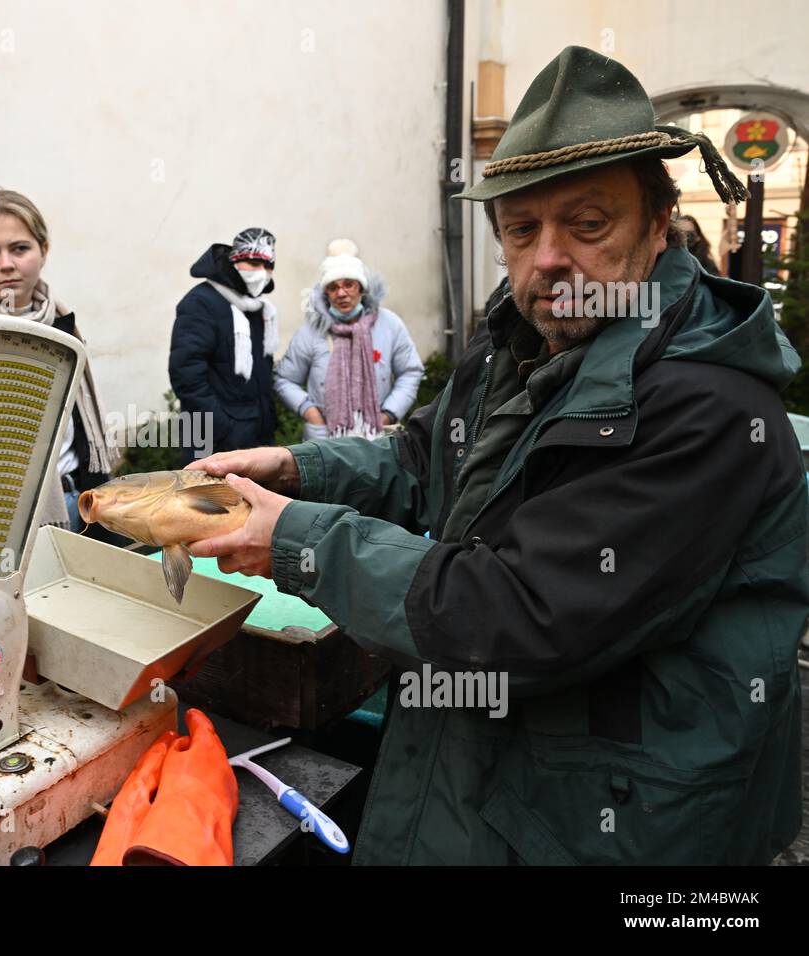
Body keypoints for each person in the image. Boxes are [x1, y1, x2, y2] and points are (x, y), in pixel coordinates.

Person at [184, 47, 807, 864]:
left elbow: (520, 616)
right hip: (477, 776)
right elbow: (422, 459)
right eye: (521, 228)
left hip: (612, 827)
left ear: (659, 224)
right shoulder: (515, 344)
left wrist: (300, 539)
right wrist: (302, 469)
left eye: (588, 224)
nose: (549, 257)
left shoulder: (707, 409)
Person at [0, 187, 120, 532]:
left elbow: (80, 427)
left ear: (44, 250)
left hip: (82, 502)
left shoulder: (62, 322)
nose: (7, 263)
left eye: (20, 248)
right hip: (3, 524)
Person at [275, 240, 424, 441]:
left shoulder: (389, 324)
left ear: (361, 289)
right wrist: (311, 413)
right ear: (326, 293)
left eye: (349, 285)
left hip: (377, 437)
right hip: (325, 440)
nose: (342, 293)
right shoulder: (312, 331)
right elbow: (284, 378)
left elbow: (410, 371)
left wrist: (388, 414)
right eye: (333, 287)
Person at [169, 228, 279, 463]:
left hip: (255, 433)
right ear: (235, 261)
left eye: (268, 265)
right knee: (210, 499)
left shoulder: (258, 307)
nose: (263, 272)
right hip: (213, 439)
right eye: (253, 262)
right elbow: (186, 374)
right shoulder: (201, 303)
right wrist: (222, 427)